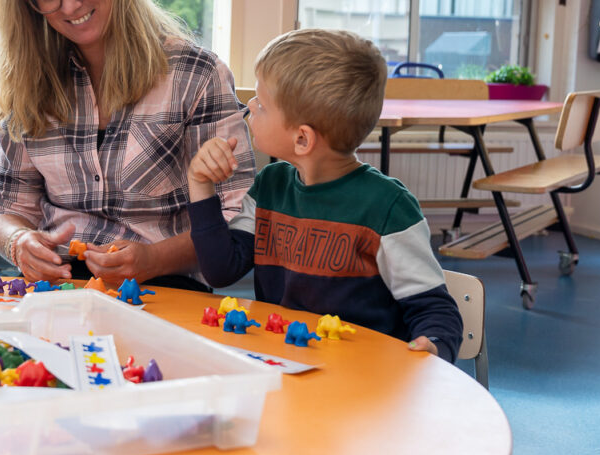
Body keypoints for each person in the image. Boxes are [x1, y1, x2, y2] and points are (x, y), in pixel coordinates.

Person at [0, 0, 254, 289]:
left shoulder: (196, 74)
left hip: (165, 285)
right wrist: (19, 241)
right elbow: (7, 206)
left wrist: (153, 259)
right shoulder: (28, 80)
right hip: (60, 282)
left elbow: (235, 218)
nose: (70, 6)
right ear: (26, 2)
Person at [186, 28, 463, 362]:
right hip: (285, 366)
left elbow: (434, 309)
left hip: (363, 380)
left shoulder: (388, 209)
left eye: (262, 103)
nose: (250, 106)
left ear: (302, 139)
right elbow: (220, 270)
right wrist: (200, 184)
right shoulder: (270, 187)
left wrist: (433, 345)